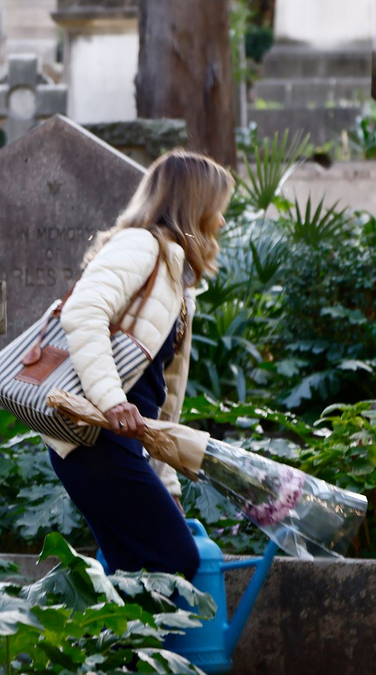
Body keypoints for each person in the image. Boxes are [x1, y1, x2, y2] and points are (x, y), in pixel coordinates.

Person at [47, 149, 234, 580]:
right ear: (194, 206)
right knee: (175, 559)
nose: (222, 221)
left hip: (118, 441)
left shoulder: (175, 275)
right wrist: (111, 401)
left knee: (134, 570)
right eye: (217, 208)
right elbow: (83, 311)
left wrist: (166, 485)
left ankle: (113, 628)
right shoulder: (140, 245)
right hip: (96, 437)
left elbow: (161, 396)